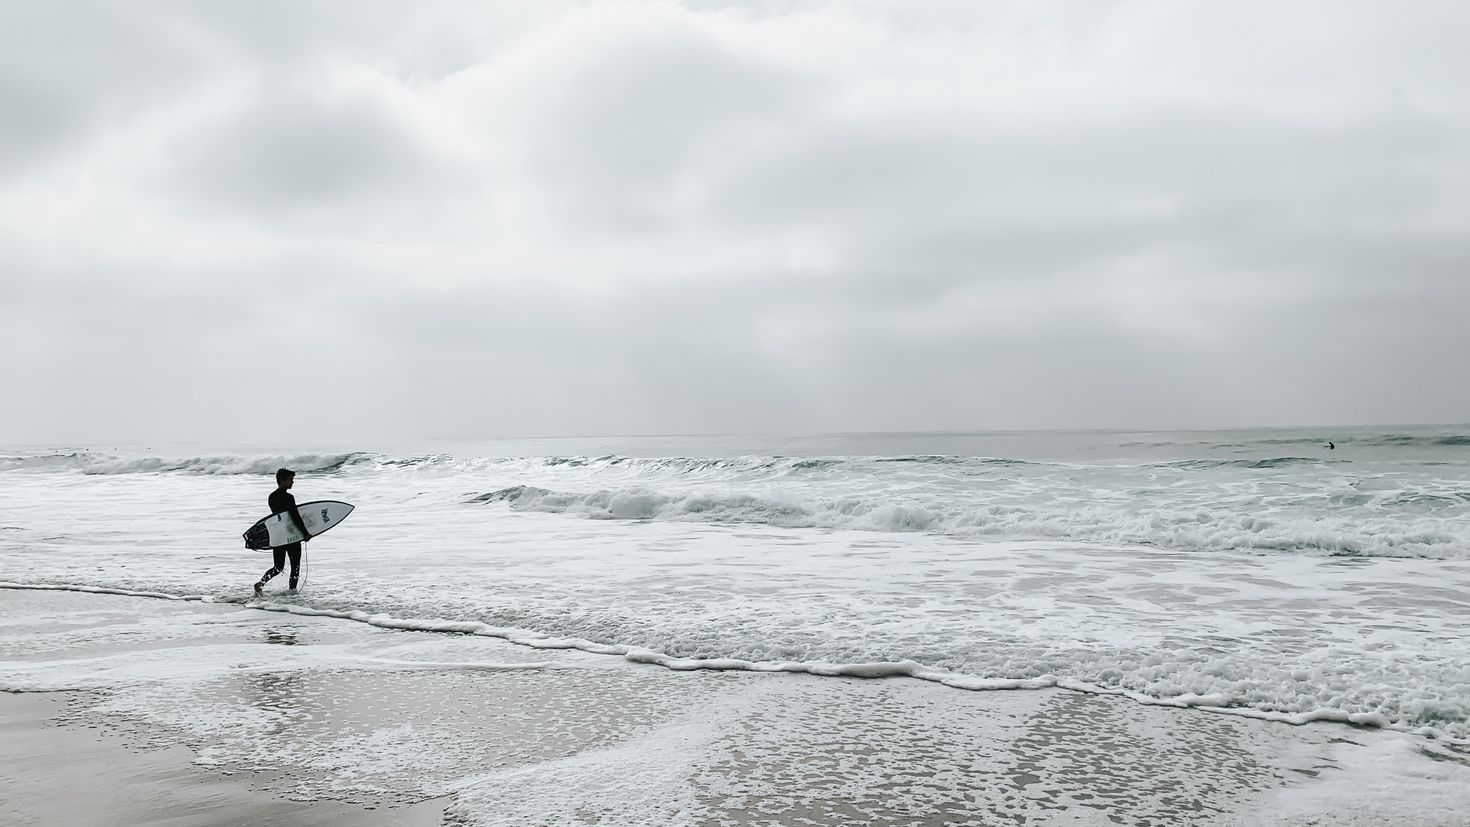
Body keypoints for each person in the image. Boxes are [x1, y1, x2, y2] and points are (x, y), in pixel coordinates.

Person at [254, 468, 312, 595]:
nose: (292, 482)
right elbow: (294, 517)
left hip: (278, 536)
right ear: (282, 480)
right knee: (295, 567)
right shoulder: (289, 497)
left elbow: (277, 518)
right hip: (291, 535)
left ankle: (260, 583)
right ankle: (292, 593)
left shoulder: (272, 497)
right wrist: (305, 533)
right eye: (290, 479)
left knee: (278, 567)